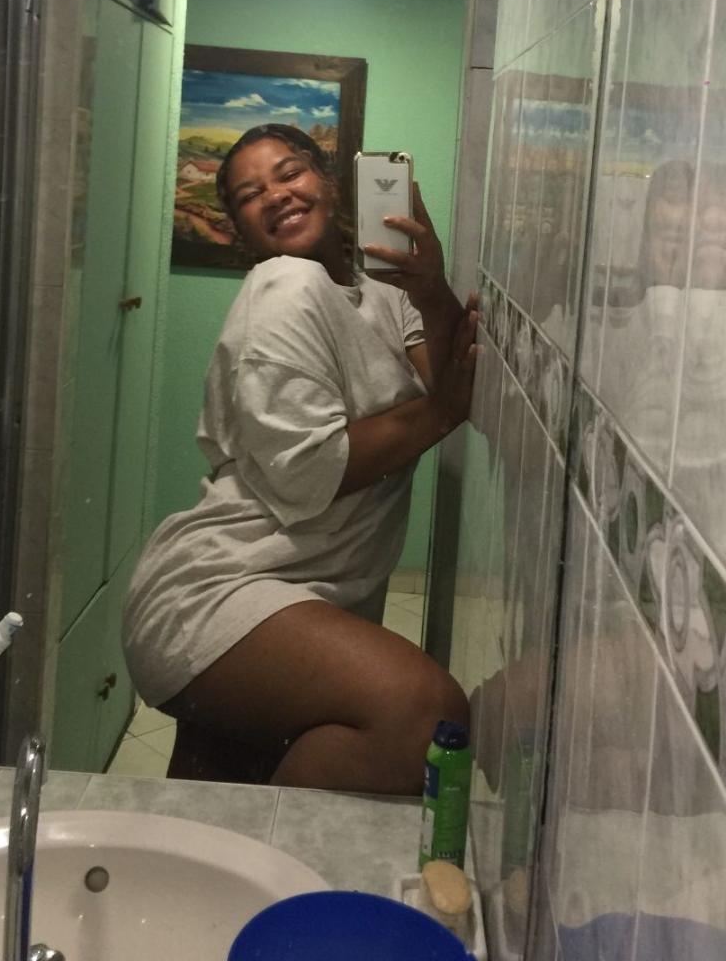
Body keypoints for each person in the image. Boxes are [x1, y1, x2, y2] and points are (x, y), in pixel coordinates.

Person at [120, 123, 480, 794]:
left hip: (295, 591)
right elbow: (315, 469)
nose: (277, 195)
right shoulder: (285, 284)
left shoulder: (382, 291)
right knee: (424, 716)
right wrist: (439, 414)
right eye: (250, 195)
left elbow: (460, 381)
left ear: (329, 182)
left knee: (218, 801)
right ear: (238, 230)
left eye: (289, 173)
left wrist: (431, 288)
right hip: (221, 590)